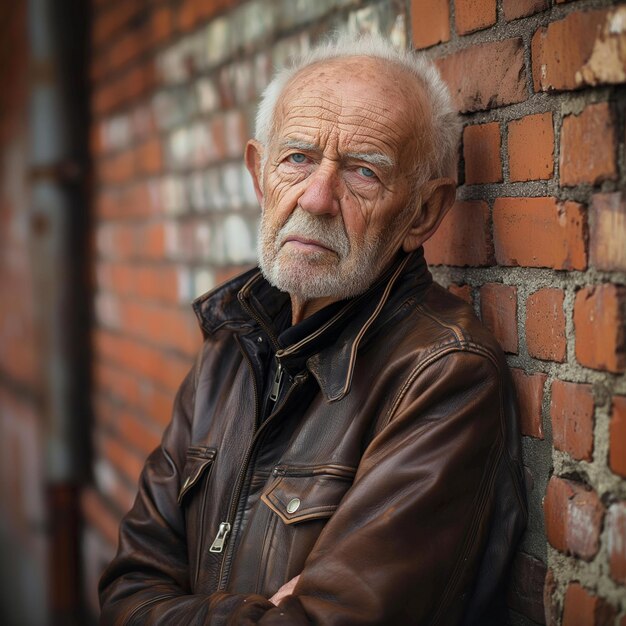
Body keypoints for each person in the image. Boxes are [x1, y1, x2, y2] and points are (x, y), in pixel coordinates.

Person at [99, 33, 527, 625]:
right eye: (297, 158)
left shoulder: (442, 374)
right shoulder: (231, 347)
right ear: (260, 175)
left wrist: (188, 610)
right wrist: (250, 613)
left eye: (363, 171)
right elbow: (124, 591)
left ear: (423, 213)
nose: (318, 198)